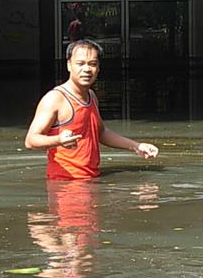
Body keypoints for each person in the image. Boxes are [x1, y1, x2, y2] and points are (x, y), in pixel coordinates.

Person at [25, 39, 159, 180]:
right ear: (69, 65)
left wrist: (136, 146)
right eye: (80, 63)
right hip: (65, 184)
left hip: (91, 179)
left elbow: (100, 133)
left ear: (98, 68)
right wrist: (58, 140)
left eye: (92, 64)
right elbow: (30, 140)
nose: (87, 69)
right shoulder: (55, 99)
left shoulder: (91, 96)